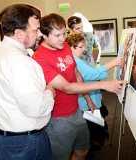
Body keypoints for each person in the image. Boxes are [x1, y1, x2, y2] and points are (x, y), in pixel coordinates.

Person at [33, 13, 124, 160]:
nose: (63, 39)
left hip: (76, 110)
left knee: (83, 150)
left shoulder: (64, 47)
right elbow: (67, 87)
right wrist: (104, 84)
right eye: (57, 35)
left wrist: (88, 99)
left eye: (64, 33)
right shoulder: (40, 58)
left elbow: (76, 73)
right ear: (44, 34)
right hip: (58, 119)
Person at [0, 4, 55, 160]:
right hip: (26, 143)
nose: (40, 35)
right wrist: (50, 92)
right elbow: (37, 108)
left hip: (3, 137)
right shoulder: (22, 63)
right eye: (35, 30)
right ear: (18, 33)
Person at [66, 33, 122, 148]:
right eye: (80, 47)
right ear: (71, 47)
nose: (84, 49)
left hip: (89, 98)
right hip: (85, 102)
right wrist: (113, 63)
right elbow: (93, 74)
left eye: (84, 46)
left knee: (94, 130)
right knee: (92, 133)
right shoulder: (75, 61)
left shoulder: (76, 59)